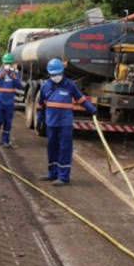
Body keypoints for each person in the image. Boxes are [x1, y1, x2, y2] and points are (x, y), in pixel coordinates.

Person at [36, 58, 97, 186]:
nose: (56, 77)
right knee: (52, 148)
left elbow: (81, 100)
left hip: (65, 124)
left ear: (62, 72)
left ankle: (63, 177)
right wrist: (39, 120)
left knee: (64, 149)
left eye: (58, 74)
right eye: (53, 74)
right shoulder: (45, 86)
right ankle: (52, 173)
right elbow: (40, 105)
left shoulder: (70, 85)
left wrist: (92, 109)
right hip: (51, 123)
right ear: (49, 74)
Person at [0, 53, 23, 147]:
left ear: (12, 64)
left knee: (8, 123)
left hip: (9, 103)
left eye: (9, 63)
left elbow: (20, 87)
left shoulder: (15, 73)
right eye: (6, 63)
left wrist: (15, 78)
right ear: (2, 63)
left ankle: (5, 140)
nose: (7, 65)